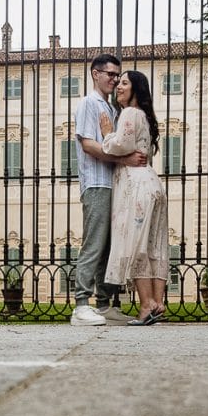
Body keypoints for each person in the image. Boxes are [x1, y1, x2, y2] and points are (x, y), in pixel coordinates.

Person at [70, 54, 148, 326]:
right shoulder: (89, 104)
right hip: (96, 183)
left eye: (118, 76)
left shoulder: (113, 108)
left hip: (115, 185)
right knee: (93, 244)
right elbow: (88, 145)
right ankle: (81, 305)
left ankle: (103, 305)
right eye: (110, 74)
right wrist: (123, 159)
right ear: (95, 74)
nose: (115, 80)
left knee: (108, 248)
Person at [99, 71, 169, 325]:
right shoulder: (147, 118)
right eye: (118, 83)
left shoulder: (130, 113)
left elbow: (120, 145)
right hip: (153, 184)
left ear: (136, 89)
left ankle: (146, 304)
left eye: (124, 83)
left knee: (137, 244)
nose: (118, 87)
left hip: (136, 186)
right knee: (155, 245)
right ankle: (158, 303)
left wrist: (107, 132)